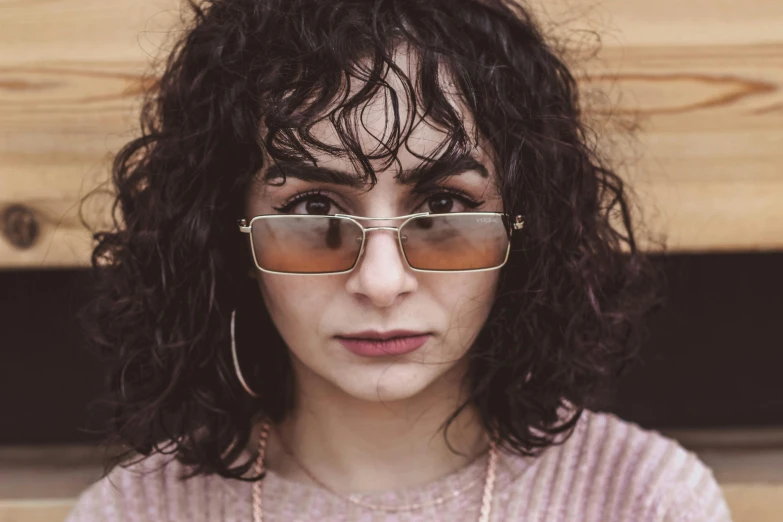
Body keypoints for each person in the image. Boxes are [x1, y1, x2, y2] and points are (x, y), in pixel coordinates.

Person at [65, 0, 733, 520]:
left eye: (442, 209)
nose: (380, 281)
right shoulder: (134, 512)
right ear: (228, 235)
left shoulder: (642, 501)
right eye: (313, 211)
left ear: (523, 231)